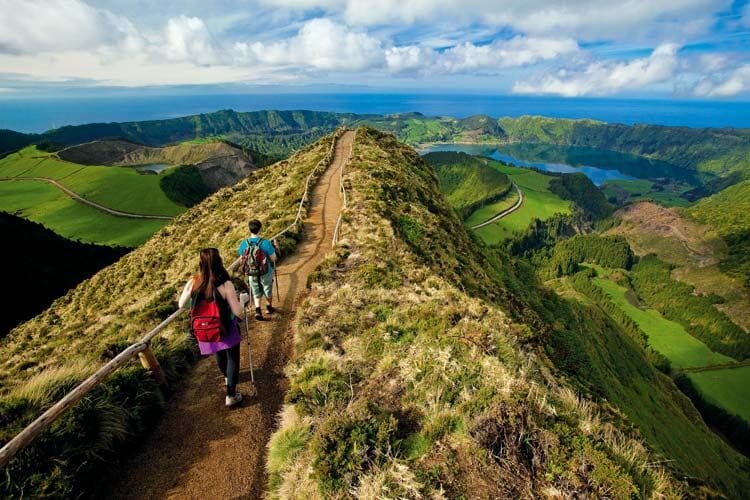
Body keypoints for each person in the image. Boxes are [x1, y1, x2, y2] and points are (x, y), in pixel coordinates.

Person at [178, 248, 250, 407]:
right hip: (226, 326)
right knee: (232, 358)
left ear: (201, 263)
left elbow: (181, 304)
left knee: (219, 353)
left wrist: (198, 306)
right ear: (219, 262)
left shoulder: (193, 282)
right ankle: (231, 394)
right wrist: (243, 301)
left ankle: (227, 378)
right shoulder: (225, 284)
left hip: (206, 329)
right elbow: (238, 313)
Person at [238, 219, 278, 321]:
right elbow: (273, 258)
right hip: (265, 271)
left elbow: (241, 259)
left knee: (256, 291)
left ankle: (258, 310)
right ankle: (269, 307)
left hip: (251, 272)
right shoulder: (266, 243)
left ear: (249, 229)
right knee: (267, 289)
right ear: (260, 229)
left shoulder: (244, 243)